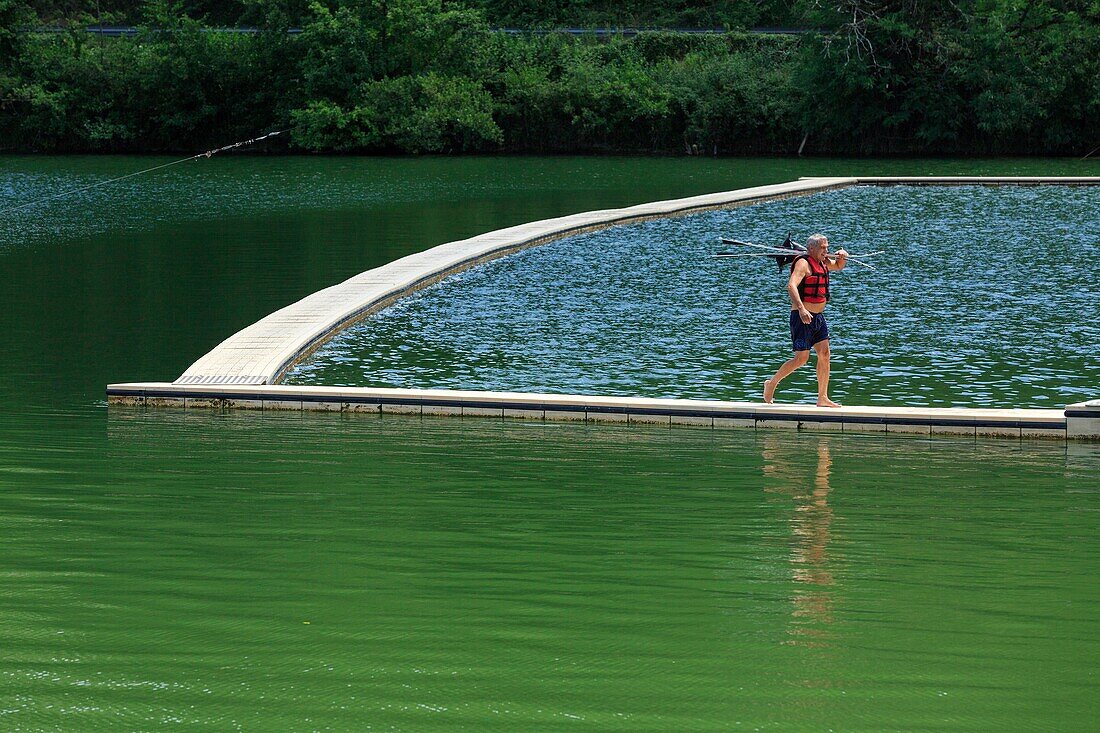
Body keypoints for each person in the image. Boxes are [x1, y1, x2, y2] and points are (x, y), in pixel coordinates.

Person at [763, 234, 847, 407]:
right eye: (823, 248)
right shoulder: (803, 263)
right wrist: (801, 309)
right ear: (811, 249)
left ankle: (822, 397)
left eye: (827, 247)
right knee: (801, 359)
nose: (826, 251)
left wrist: (842, 256)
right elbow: (791, 285)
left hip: (818, 317)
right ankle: (771, 384)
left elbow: (838, 266)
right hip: (802, 317)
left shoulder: (823, 262)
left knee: (824, 355)